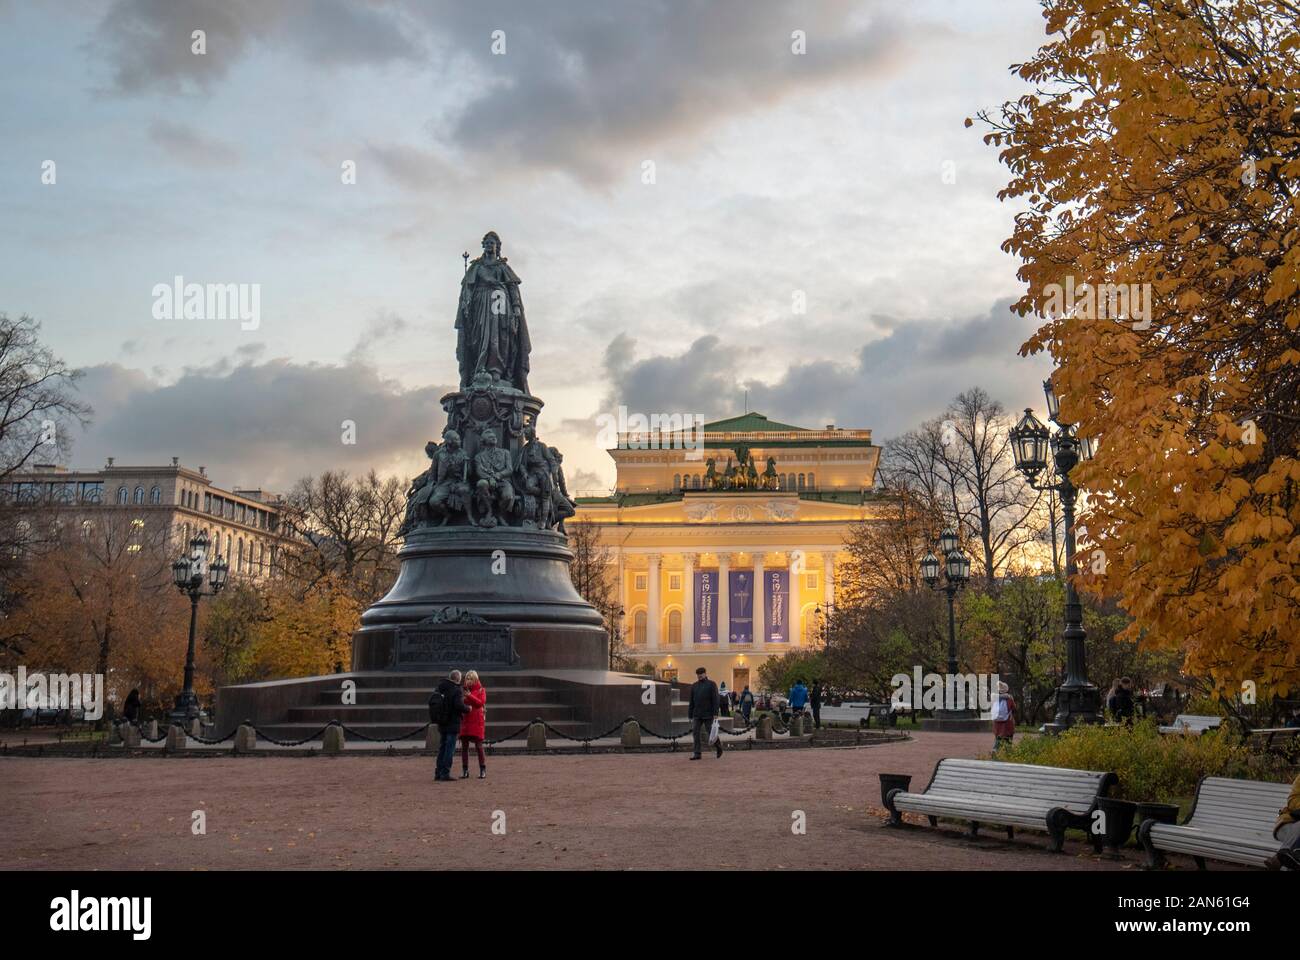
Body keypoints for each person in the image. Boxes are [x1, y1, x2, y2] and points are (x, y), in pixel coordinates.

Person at [432, 669, 470, 782]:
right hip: (452, 722)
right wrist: (468, 709)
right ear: (458, 679)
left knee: (442, 748)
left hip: (442, 721)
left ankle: (438, 772)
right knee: (449, 749)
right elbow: (458, 705)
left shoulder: (440, 687)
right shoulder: (456, 690)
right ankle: (445, 773)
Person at [1266, 772, 1300, 870]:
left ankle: (1279, 858)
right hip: (1289, 823)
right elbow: (1292, 800)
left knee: (1293, 856)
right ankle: (1282, 857)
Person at [687, 666, 723, 760]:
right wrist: (690, 714)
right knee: (695, 733)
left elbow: (715, 699)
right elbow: (692, 701)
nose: (700, 676)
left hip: (708, 714)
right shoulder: (694, 686)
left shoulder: (711, 684)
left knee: (711, 732)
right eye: (698, 675)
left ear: (705, 674)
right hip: (697, 714)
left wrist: (715, 713)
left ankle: (718, 747)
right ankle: (697, 753)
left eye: (701, 674)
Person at [459, 670, 488, 780]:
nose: (468, 681)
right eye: (467, 678)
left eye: (470, 679)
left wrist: (469, 696)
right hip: (466, 721)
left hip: (476, 721)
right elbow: (460, 702)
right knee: (464, 747)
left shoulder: (481, 690)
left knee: (479, 747)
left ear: (475, 679)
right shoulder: (462, 690)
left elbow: (480, 703)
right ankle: (465, 770)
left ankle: (482, 769)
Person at [992, 681, 1016, 752]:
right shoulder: (1009, 699)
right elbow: (1014, 709)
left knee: (998, 739)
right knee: (1008, 739)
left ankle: (995, 752)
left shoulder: (994, 698)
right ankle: (1008, 753)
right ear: (1006, 689)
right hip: (1007, 724)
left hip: (997, 724)